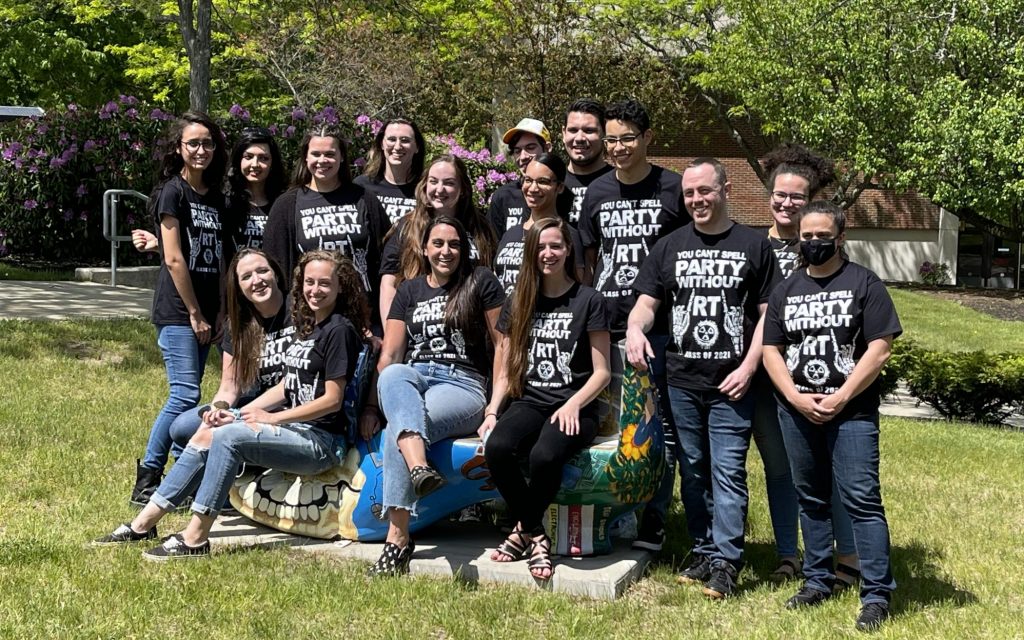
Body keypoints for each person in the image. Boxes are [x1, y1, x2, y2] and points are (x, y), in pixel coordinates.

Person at [95, 250, 368, 560]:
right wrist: (237, 412)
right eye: (309, 282)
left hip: (320, 442)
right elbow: (288, 385)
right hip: (294, 428)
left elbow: (332, 401)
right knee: (208, 431)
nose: (314, 290)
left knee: (228, 438)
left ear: (340, 286)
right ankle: (143, 523)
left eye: (324, 283)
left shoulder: (338, 330)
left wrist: (271, 419)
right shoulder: (311, 327)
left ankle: (195, 538)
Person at [626, 157, 781, 598]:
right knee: (693, 469)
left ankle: (728, 562)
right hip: (682, 379)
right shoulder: (669, 246)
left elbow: (769, 317)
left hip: (733, 382)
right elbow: (646, 302)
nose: (696, 199)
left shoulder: (754, 246)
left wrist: (750, 366)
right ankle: (704, 548)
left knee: (728, 469)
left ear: (725, 190)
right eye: (689, 193)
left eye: (705, 191)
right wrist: (636, 328)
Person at [762, 200, 900, 632]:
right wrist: (795, 397)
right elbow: (771, 349)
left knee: (861, 500)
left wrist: (841, 396)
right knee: (812, 498)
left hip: (852, 412)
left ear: (841, 237)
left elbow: (879, 348)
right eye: (808, 237)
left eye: (824, 237)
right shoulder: (787, 288)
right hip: (797, 410)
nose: (815, 243)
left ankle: (877, 594)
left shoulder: (865, 283)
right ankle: (817, 580)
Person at [577, 98, 687, 551]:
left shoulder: (674, 189)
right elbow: (586, 261)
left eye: (627, 139)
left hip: (661, 328)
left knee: (656, 426)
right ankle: (615, 512)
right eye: (612, 140)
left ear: (647, 140)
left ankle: (654, 519)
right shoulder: (597, 192)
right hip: (607, 325)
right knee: (611, 425)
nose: (618, 147)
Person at [367, 217, 505, 576]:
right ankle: (419, 469)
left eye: (454, 244)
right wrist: (376, 400)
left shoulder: (481, 282)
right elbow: (391, 357)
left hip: (463, 384)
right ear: (425, 249)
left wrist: (495, 405)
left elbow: (503, 345)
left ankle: (397, 541)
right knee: (395, 375)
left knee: (402, 427)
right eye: (439, 244)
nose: (446, 251)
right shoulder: (409, 291)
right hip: (412, 379)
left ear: (464, 249)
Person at [752, 143, 859, 585]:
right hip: (762, 375)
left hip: (816, 377)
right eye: (780, 194)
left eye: (797, 196)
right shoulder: (752, 244)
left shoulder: (825, 251)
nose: (786, 203)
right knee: (780, 468)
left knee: (828, 470)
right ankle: (787, 554)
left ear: (811, 200)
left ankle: (847, 556)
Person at [481, 217, 611, 580]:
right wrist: (493, 409)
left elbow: (601, 372)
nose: (548, 253)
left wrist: (573, 403)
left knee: (544, 455)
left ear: (568, 250)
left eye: (555, 246)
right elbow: (505, 367)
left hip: (576, 405)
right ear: (530, 252)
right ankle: (536, 532)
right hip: (530, 401)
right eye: (540, 247)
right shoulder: (519, 301)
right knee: (497, 447)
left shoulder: (589, 300)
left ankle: (522, 532)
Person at [130, 111, 230, 507]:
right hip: (179, 312)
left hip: (209, 311)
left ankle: (181, 474)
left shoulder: (217, 199)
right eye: (193, 143)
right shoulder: (172, 192)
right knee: (185, 394)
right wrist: (194, 312)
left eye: (207, 143)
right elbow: (174, 259)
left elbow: (212, 251)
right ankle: (148, 478)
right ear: (179, 148)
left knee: (190, 398)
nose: (201, 150)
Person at [165, 248, 293, 454]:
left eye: (262, 271)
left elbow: (292, 384)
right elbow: (229, 387)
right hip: (257, 403)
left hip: (293, 407)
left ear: (275, 274)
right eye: (247, 277)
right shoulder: (238, 324)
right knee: (184, 427)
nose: (257, 280)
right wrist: (217, 414)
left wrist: (240, 415)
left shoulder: (298, 311)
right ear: (239, 287)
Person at [263, 126, 390, 329]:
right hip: (309, 320)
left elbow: (388, 256)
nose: (322, 160)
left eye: (330, 154)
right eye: (316, 154)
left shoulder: (364, 198)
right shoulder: (287, 205)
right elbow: (277, 269)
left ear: (341, 157)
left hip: (365, 317)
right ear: (305, 157)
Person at [378, 154, 497, 323]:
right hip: (421, 329)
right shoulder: (407, 227)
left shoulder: (481, 227)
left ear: (462, 189)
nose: (439, 189)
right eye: (434, 181)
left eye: (448, 183)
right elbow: (389, 284)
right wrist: (392, 330)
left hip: (470, 326)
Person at [132, 128, 286, 254]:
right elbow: (200, 243)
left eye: (264, 158)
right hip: (231, 289)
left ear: (273, 163)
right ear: (239, 160)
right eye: (248, 157)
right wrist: (159, 244)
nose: (255, 164)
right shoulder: (223, 202)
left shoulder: (284, 204)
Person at [492, 153, 585, 294]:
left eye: (542, 181)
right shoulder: (510, 234)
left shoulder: (567, 235)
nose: (533, 188)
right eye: (528, 180)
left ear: (559, 187)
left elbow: (577, 290)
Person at [487, 117, 555, 236]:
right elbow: (492, 247)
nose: (523, 156)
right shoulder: (503, 197)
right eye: (517, 150)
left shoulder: (561, 192)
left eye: (530, 148)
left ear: (547, 148)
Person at [354, 118, 426, 224]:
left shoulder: (426, 187)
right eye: (392, 139)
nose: (397, 147)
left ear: (417, 147)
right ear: (382, 144)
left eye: (405, 140)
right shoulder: (361, 186)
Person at [561, 99, 613, 226]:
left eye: (589, 131)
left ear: (604, 134)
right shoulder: (550, 184)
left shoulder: (620, 183)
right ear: (563, 133)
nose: (579, 138)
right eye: (573, 130)